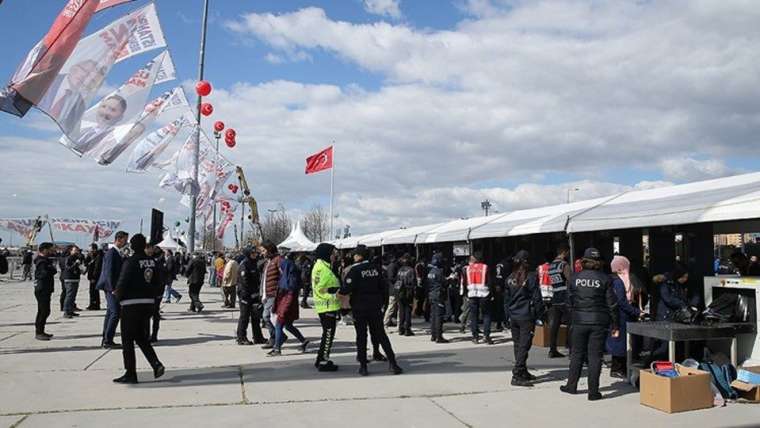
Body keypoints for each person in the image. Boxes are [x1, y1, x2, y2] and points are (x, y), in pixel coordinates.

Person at [561, 248, 619, 401]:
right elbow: (612, 304)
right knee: (595, 357)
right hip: (599, 322)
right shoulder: (605, 279)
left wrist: (571, 319)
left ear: (583, 261)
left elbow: (568, 302)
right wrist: (615, 324)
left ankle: (571, 386)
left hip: (578, 320)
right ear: (598, 262)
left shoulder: (574, 278)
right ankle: (593, 392)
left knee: (577, 354)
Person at [340, 245, 403, 376]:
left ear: (360, 256)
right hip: (375, 307)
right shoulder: (377, 269)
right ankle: (393, 363)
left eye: (355, 254)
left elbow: (347, 288)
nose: (353, 256)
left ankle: (363, 366)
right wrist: (382, 304)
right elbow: (383, 287)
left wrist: (336, 291)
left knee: (361, 336)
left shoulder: (355, 270)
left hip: (360, 307)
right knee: (381, 335)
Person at [112, 234, 165, 384]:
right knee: (141, 337)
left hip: (131, 304)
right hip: (148, 304)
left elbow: (122, 282)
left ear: (133, 246)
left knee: (127, 340)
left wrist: (118, 297)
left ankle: (130, 373)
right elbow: (157, 281)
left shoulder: (131, 261)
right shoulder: (152, 262)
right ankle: (156, 364)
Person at [504, 250, 544, 387]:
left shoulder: (509, 277)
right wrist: (540, 315)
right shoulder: (531, 277)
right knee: (524, 345)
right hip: (526, 316)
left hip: (514, 315)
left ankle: (523, 371)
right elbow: (537, 298)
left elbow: (506, 299)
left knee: (518, 344)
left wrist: (507, 316)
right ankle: (517, 373)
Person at [606, 255, 646, 378]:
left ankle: (617, 368)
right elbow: (622, 302)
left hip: (614, 315)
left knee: (618, 341)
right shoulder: (619, 281)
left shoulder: (610, 279)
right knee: (621, 343)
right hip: (621, 316)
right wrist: (636, 311)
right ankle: (618, 369)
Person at [268, 250, 309, 356]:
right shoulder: (288, 273)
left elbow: (290, 294)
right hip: (286, 303)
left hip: (287, 304)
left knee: (278, 325)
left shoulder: (290, 277)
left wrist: (283, 309)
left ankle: (277, 349)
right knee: (288, 325)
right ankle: (303, 341)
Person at [312, 243, 341, 371]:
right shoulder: (321, 268)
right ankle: (323, 361)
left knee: (327, 334)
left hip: (328, 306)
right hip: (327, 306)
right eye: (333, 253)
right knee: (328, 334)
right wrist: (337, 294)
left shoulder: (324, 266)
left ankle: (321, 358)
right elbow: (321, 289)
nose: (335, 256)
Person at [97, 231, 128, 349]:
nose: (126, 243)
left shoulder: (116, 253)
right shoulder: (112, 253)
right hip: (111, 287)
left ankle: (106, 337)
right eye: (125, 240)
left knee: (110, 312)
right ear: (119, 239)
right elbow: (108, 272)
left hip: (112, 287)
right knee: (115, 313)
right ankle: (108, 340)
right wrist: (113, 288)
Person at [547, 245, 572, 358]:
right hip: (565, 297)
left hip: (555, 296)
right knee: (571, 324)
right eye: (567, 253)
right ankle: (571, 348)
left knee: (554, 325)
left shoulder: (551, 266)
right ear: (564, 252)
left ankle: (552, 349)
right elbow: (570, 280)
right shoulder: (564, 265)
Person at [237, 248, 266, 345]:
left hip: (254, 295)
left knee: (256, 317)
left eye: (256, 253)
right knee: (244, 317)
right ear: (248, 254)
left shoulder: (255, 264)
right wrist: (250, 293)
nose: (255, 254)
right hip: (245, 295)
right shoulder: (244, 265)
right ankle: (241, 337)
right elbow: (244, 282)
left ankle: (258, 337)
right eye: (253, 253)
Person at [466, 252, 492, 344]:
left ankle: (475, 337)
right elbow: (489, 281)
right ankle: (486, 336)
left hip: (472, 293)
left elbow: (466, 282)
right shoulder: (485, 267)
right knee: (486, 315)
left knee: (474, 316)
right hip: (484, 293)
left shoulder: (468, 268)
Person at [260, 242, 282, 349]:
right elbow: (264, 279)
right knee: (270, 318)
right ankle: (278, 336)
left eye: (264, 250)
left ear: (269, 250)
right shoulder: (267, 262)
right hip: (266, 294)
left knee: (266, 316)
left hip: (274, 293)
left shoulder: (278, 260)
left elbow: (283, 276)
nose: (262, 253)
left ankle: (275, 337)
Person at [33, 243, 57, 340]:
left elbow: (53, 271)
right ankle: (39, 332)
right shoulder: (41, 261)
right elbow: (44, 274)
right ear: (44, 250)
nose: (52, 251)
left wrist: (51, 269)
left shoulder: (45, 260)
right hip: (42, 288)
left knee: (44, 310)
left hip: (46, 288)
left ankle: (41, 330)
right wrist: (51, 269)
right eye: (50, 249)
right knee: (44, 311)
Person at [427, 252, 449, 343]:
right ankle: (439, 336)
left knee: (433, 316)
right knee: (439, 316)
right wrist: (450, 279)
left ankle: (433, 335)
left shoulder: (430, 272)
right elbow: (444, 283)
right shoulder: (439, 272)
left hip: (432, 294)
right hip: (439, 295)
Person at [147, 244, 166, 343]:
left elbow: (161, 278)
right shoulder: (157, 263)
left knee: (150, 315)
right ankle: (152, 335)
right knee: (154, 315)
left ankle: (152, 335)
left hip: (152, 293)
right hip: (154, 293)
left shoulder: (155, 263)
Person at [396, 254, 417, 336]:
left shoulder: (400, 270)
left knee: (401, 311)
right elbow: (413, 282)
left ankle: (401, 328)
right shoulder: (411, 270)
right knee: (407, 311)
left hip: (399, 292)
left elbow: (397, 280)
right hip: (408, 292)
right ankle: (407, 329)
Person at [62, 245, 84, 318]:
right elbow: (68, 268)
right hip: (70, 279)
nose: (76, 251)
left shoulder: (77, 258)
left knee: (73, 296)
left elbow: (79, 267)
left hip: (76, 278)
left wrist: (82, 270)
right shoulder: (68, 258)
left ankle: (71, 310)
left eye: (77, 250)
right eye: (75, 250)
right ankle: (66, 311)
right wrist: (75, 264)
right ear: (70, 251)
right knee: (69, 296)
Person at [85, 243, 103, 310]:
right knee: (92, 291)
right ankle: (92, 303)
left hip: (95, 276)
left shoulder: (98, 256)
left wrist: (94, 277)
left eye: (90, 249)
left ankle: (95, 304)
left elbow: (97, 268)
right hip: (91, 275)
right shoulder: (91, 256)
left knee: (94, 291)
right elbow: (86, 263)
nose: (89, 251)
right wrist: (89, 256)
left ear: (94, 249)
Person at [383, 254, 399, 327]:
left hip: (392, 289)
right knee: (391, 307)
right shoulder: (393, 266)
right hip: (394, 289)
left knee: (392, 307)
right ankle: (386, 322)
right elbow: (391, 278)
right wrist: (399, 279)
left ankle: (388, 321)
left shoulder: (390, 266)